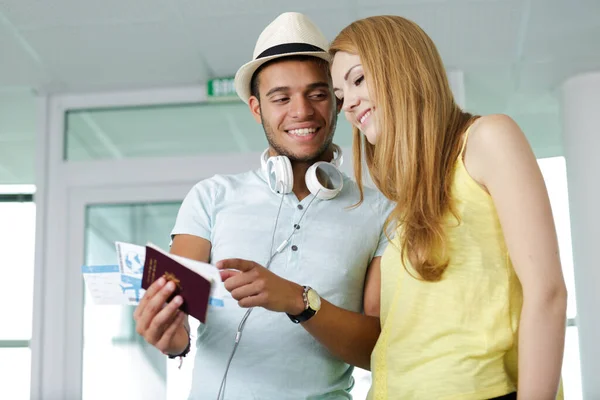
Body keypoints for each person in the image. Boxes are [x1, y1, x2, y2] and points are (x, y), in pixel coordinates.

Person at [133, 12, 392, 400]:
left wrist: (297, 300)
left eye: (318, 94)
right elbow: (179, 315)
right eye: (281, 97)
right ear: (256, 108)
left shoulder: (379, 212)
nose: (302, 111)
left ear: (337, 102)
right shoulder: (210, 197)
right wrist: (173, 340)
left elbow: (377, 349)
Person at [328, 15, 568, 400]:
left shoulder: (487, 138)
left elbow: (548, 293)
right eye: (340, 96)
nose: (349, 104)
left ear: (402, 68)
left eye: (357, 80)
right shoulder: (405, 207)